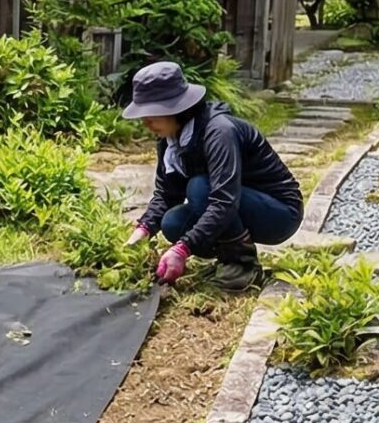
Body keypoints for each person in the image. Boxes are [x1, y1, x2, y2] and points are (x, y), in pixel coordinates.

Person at [122, 60, 304, 292]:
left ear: (175, 108)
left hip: (279, 213)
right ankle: (227, 258)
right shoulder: (170, 141)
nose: (145, 122)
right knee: (173, 223)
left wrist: (183, 249)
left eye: (152, 113)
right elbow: (167, 193)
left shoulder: (219, 132)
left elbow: (224, 199)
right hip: (235, 204)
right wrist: (143, 230)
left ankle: (242, 264)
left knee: (199, 187)